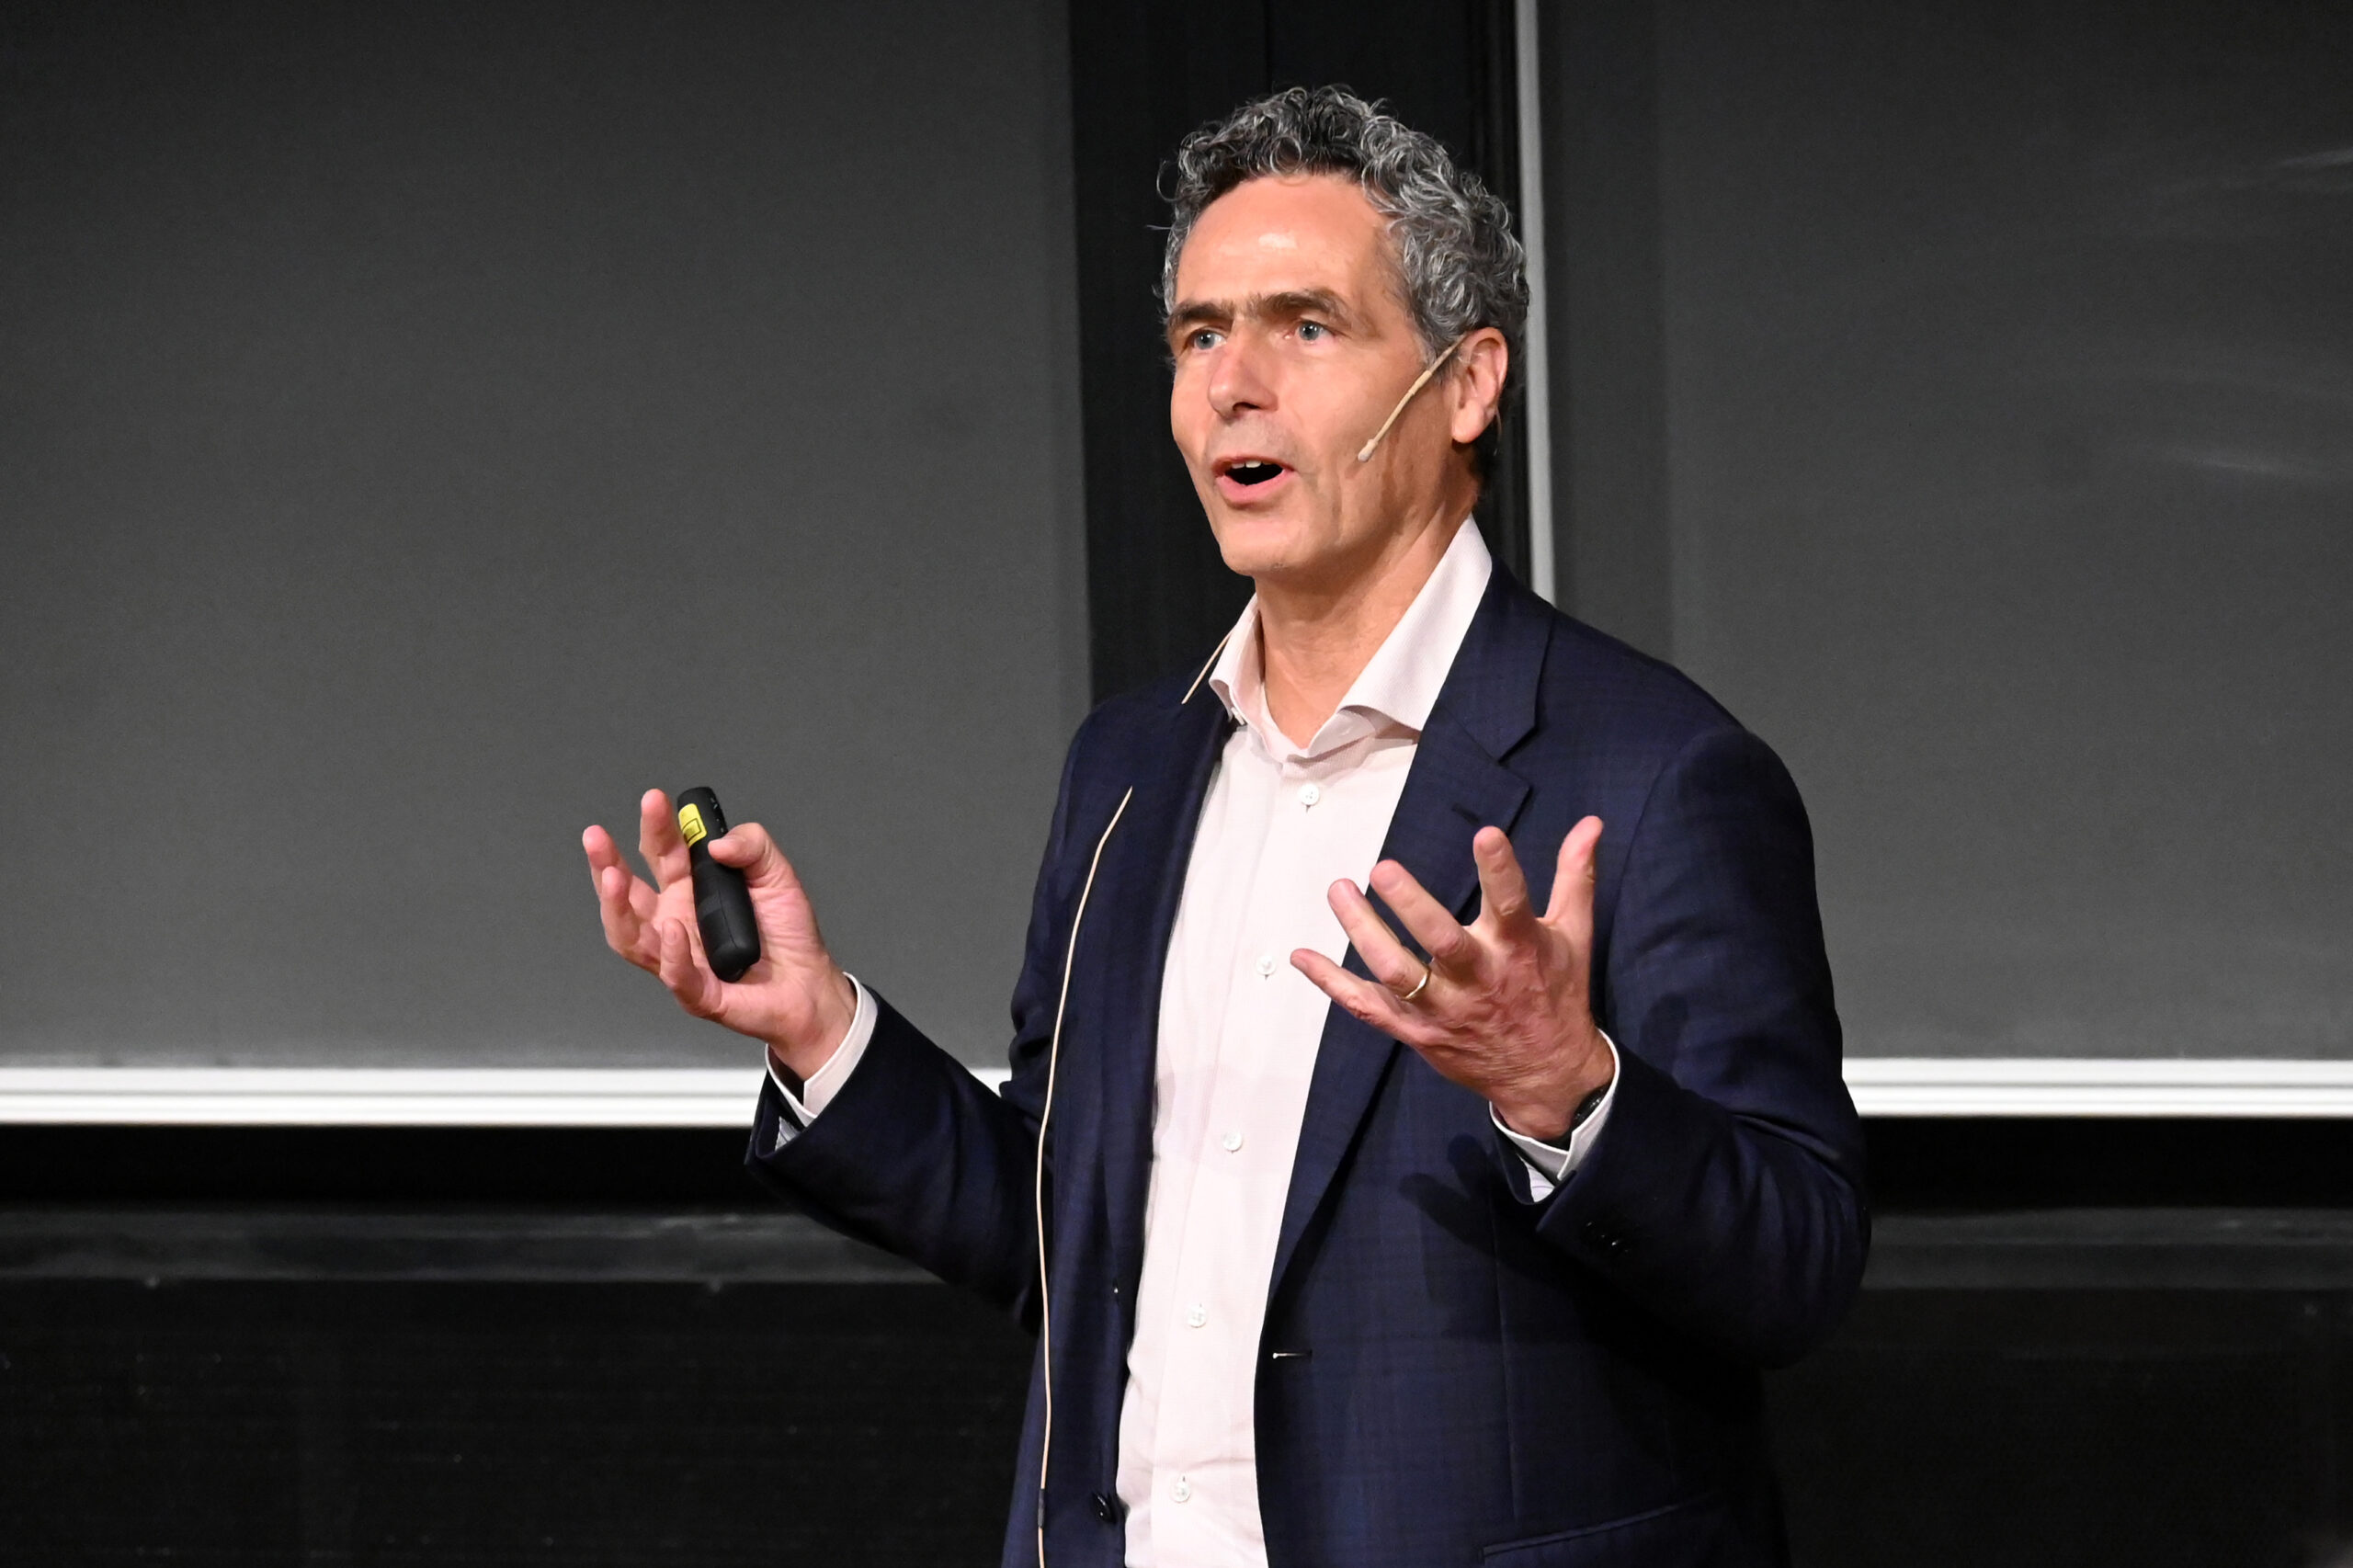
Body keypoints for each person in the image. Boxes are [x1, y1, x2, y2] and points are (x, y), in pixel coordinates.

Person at [584, 86, 1864, 1568]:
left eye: (1306, 326)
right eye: (1200, 334)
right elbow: (1067, 1244)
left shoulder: (1655, 775)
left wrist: (1569, 1090)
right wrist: (819, 1033)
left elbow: (1800, 1270)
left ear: (1465, 385)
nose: (1232, 386)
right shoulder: (1128, 767)